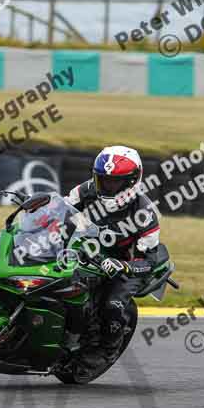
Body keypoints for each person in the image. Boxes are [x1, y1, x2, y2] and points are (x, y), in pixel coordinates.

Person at [64, 145, 163, 368]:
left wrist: (123, 266)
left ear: (131, 181)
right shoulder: (86, 191)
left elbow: (149, 261)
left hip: (125, 262)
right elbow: (61, 210)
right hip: (87, 250)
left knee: (113, 305)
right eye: (103, 180)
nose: (107, 186)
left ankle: (108, 348)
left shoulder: (145, 214)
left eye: (114, 182)